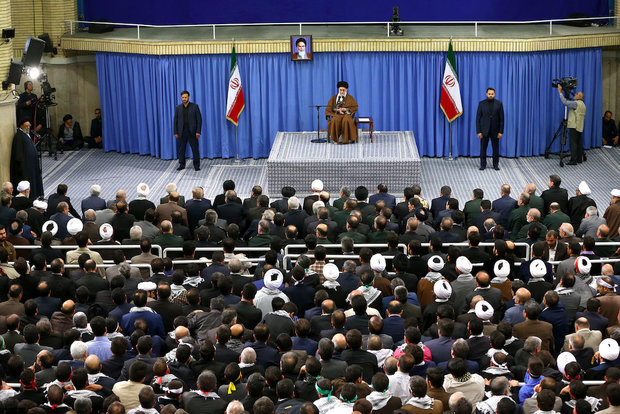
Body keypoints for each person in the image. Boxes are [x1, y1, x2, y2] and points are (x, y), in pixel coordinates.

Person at [10, 119, 43, 199]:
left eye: (29, 126)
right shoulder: (19, 136)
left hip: (31, 164)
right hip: (25, 166)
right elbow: (18, 154)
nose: (28, 127)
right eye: (26, 126)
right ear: (21, 126)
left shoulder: (25, 134)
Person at [476, 88, 504, 171]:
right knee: (483, 149)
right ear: (486, 94)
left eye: (492, 94)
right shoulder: (481, 104)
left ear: (494, 94)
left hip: (495, 131)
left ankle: (495, 165)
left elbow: (502, 119)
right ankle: (483, 165)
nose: (490, 95)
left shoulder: (499, 104)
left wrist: (500, 131)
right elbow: (478, 119)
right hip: (484, 131)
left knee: (495, 149)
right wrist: (479, 131)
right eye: (489, 93)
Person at [173, 90, 202, 171]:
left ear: (188, 97)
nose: (184, 99)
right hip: (181, 132)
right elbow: (175, 120)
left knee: (195, 150)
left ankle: (196, 165)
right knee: (181, 150)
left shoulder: (195, 106)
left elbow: (199, 120)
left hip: (192, 132)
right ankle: (182, 165)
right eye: (183, 97)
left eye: (185, 97)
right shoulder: (178, 108)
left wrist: (198, 131)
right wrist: (175, 132)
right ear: (181, 98)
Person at [557, 85, 586, 165]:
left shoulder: (576, 104)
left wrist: (560, 92)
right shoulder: (583, 104)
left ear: (579, 97)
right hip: (579, 126)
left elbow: (565, 102)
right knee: (578, 143)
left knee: (573, 144)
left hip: (574, 126)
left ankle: (573, 160)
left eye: (576, 94)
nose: (575, 95)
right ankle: (579, 159)